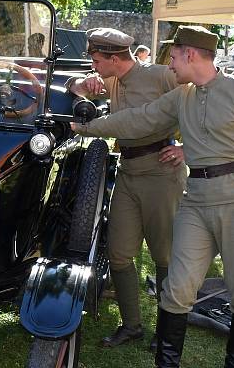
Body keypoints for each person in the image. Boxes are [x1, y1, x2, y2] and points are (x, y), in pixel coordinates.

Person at [71, 26, 234, 368]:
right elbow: (137, 120)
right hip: (196, 200)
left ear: (190, 55)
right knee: (177, 288)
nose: (167, 61)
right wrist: (85, 128)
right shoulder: (182, 96)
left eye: (173, 55)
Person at [68, 28, 184, 349]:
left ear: (114, 58)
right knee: (119, 255)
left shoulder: (161, 76)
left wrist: (188, 148)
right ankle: (131, 325)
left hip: (162, 171)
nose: (93, 66)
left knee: (164, 257)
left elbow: (203, 100)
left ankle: (167, 333)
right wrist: (83, 84)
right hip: (128, 171)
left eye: (96, 60)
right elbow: (72, 84)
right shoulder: (112, 79)